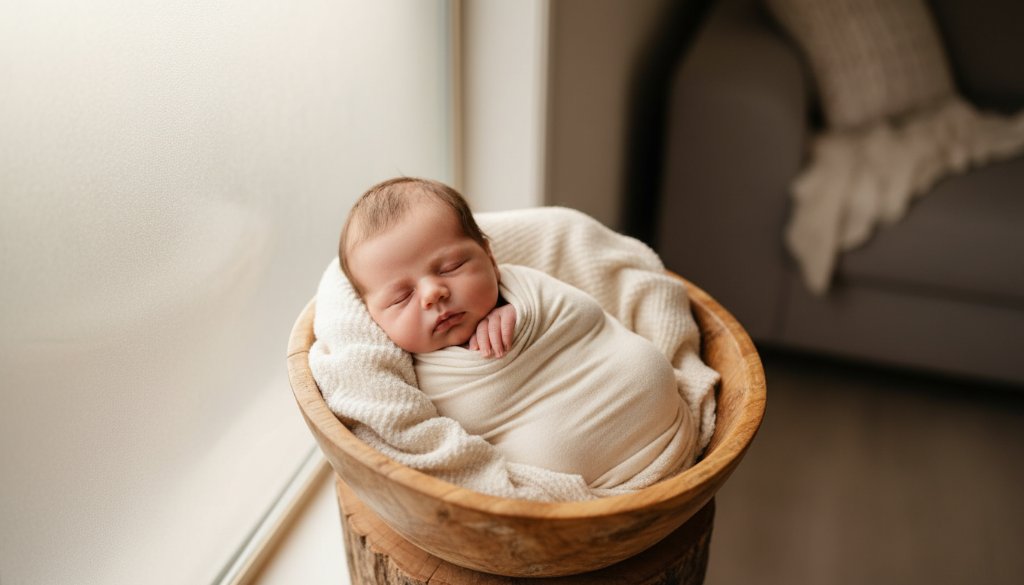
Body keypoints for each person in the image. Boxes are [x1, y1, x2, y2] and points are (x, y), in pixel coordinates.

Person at [338, 177, 700, 491]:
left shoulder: (521, 285)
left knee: (642, 363)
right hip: (574, 479)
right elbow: (439, 437)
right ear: (372, 318)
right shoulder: (403, 376)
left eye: (452, 266)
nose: (433, 293)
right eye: (402, 297)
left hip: (658, 411)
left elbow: (586, 314)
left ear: (491, 259)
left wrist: (519, 310)